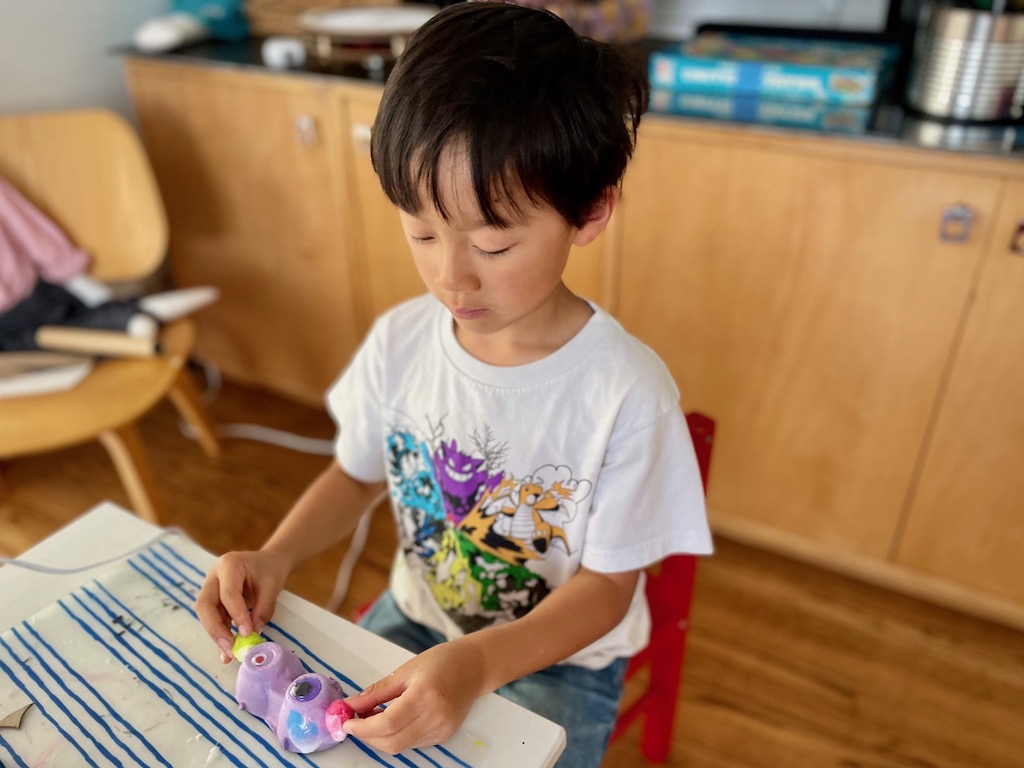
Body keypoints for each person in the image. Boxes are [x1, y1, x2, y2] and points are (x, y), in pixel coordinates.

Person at [195, 3, 713, 766]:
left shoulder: (627, 394)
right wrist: (274, 557)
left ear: (592, 210)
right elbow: (355, 474)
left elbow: (607, 589)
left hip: (560, 661)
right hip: (416, 620)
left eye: (494, 241)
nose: (451, 274)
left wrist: (478, 663)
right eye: (421, 231)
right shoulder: (403, 341)